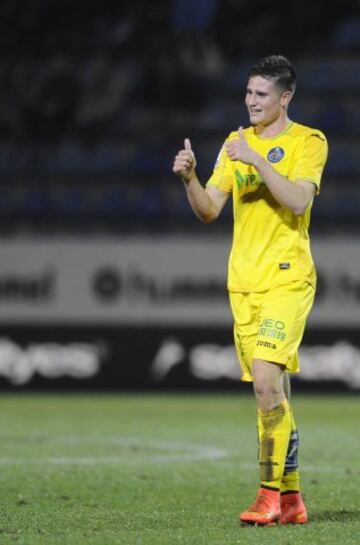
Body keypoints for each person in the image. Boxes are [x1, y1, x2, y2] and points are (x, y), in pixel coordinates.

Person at [172, 54, 328, 526]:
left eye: (261, 94)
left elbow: (299, 200)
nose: (251, 101)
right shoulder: (233, 144)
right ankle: (293, 498)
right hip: (244, 284)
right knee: (274, 392)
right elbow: (209, 210)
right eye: (247, 92)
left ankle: (266, 495)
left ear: (286, 98)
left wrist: (258, 159)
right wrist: (190, 179)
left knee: (265, 381)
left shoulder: (309, 142)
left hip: (287, 278)